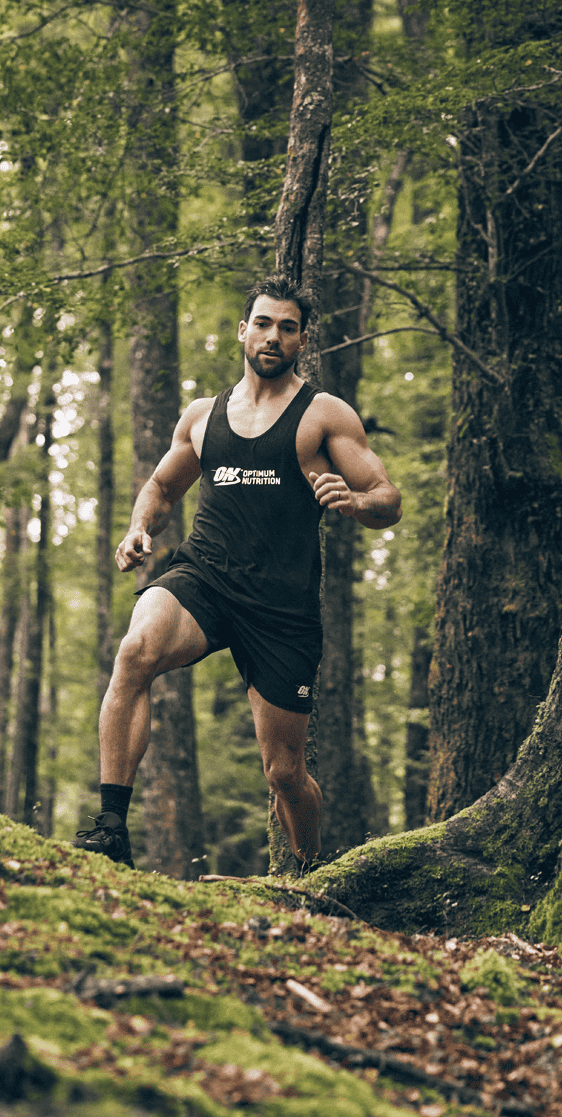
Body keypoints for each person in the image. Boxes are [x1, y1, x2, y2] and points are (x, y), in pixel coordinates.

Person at [72, 275, 402, 872]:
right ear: (243, 331)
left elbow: (388, 498)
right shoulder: (204, 416)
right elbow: (162, 486)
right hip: (206, 579)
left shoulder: (323, 415)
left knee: (285, 774)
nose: (273, 336)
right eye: (263, 323)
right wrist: (139, 528)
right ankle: (110, 827)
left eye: (288, 327)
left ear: (302, 340)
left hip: (282, 609)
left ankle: (309, 876)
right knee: (135, 649)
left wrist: (355, 504)